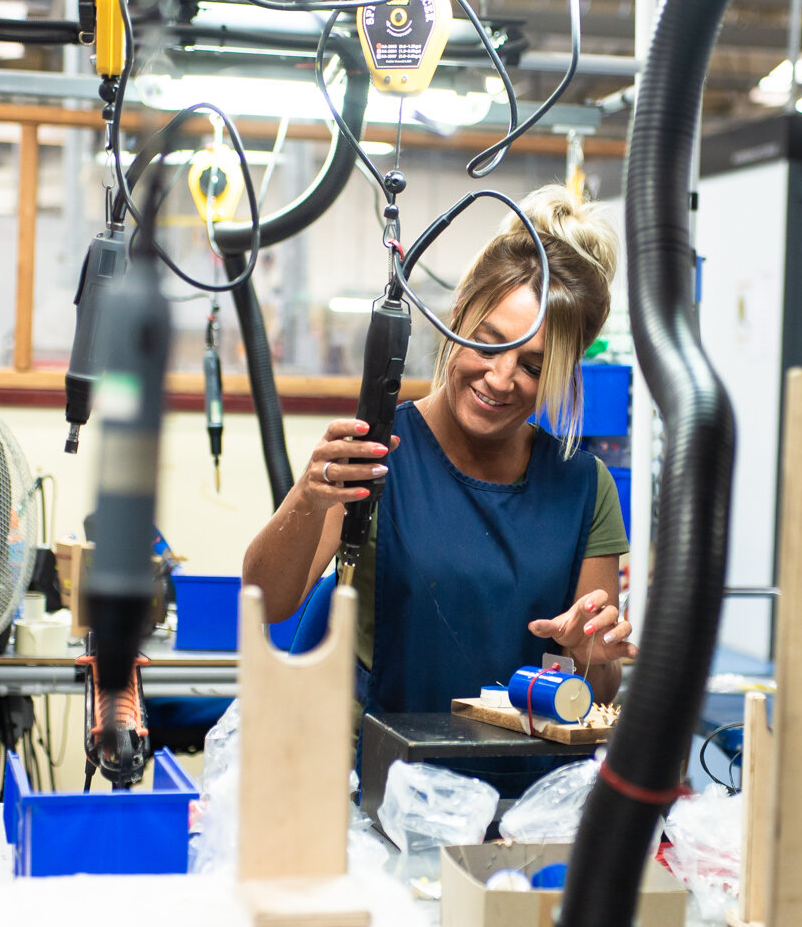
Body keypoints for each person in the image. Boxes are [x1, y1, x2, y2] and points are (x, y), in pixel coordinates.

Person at [242, 185, 634, 790]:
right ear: (458, 318)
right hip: (386, 790)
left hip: (521, 800)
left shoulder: (584, 487)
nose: (500, 379)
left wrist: (590, 656)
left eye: (533, 366)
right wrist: (308, 498)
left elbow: (595, 687)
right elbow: (266, 602)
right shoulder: (378, 451)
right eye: (490, 342)